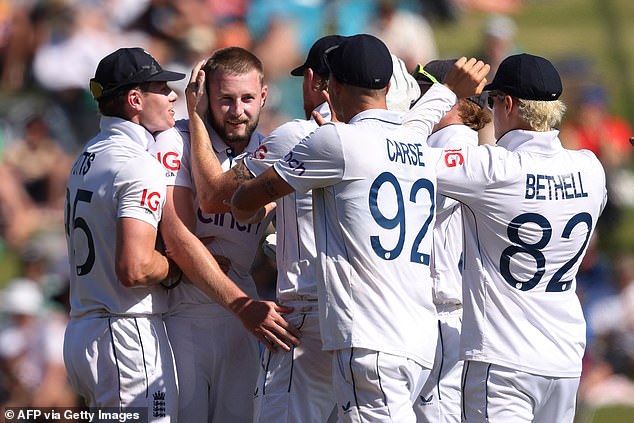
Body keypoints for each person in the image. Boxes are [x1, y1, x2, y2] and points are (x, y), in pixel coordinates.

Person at [228, 34, 489, 422]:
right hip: (418, 338)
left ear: (332, 88)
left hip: (368, 338)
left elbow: (242, 200)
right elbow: (420, 119)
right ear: (388, 86)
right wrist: (449, 89)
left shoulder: (335, 141)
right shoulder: (416, 143)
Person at [405, 53, 607, 422]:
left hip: (502, 360)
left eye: (494, 101)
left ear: (508, 104)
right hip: (564, 358)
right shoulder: (590, 169)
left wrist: (446, 93)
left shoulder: (492, 168)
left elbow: (399, 155)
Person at [149, 46, 288, 423]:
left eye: (246, 98)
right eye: (225, 99)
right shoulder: (172, 142)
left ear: (263, 96)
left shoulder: (271, 149)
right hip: (181, 311)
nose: (237, 110)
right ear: (203, 96)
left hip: (244, 311)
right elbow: (174, 239)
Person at [63, 47, 185, 420]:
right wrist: (179, 267)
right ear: (135, 99)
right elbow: (135, 268)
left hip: (85, 329)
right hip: (125, 334)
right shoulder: (137, 164)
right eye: (162, 87)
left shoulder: (88, 153)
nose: (172, 96)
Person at [410, 59, 490, 423]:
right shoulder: (470, 147)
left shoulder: (449, 147)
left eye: (426, 90)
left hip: (441, 311)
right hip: (452, 312)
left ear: (456, 100)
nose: (418, 98)